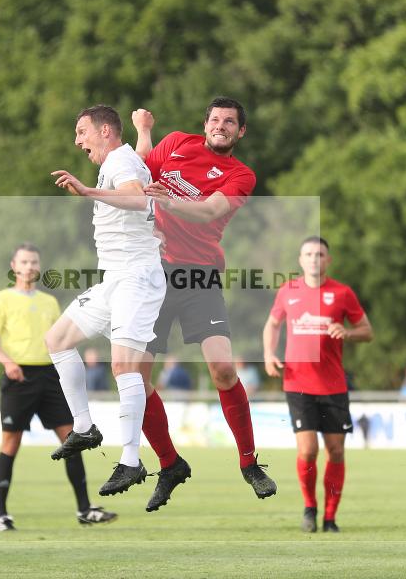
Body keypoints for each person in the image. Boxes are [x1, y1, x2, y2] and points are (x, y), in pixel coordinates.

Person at [132, 97, 277, 512]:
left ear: (240, 132)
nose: (221, 126)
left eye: (230, 122)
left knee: (223, 369)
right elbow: (139, 172)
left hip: (198, 276)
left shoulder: (240, 174)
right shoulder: (176, 142)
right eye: (215, 120)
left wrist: (167, 201)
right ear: (205, 124)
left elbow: (210, 210)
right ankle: (169, 463)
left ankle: (249, 463)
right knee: (134, 380)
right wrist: (144, 131)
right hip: (153, 273)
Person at [46, 105, 166, 498]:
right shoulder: (124, 156)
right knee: (57, 340)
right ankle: (84, 427)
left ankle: (131, 461)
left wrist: (86, 190)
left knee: (123, 365)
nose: (78, 140)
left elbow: (135, 198)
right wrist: (144, 129)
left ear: (105, 132)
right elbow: (139, 165)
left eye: (82, 132)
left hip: (137, 276)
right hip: (114, 278)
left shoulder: (119, 160)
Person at [0, 243, 116, 531]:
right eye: (24, 262)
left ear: (38, 266)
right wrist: (7, 363)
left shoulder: (49, 302)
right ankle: (1, 515)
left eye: (34, 262)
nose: (29, 266)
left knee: (71, 439)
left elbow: (62, 340)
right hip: (18, 378)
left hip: (50, 377)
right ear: (14, 266)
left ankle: (84, 510)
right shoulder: (1, 299)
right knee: (10, 444)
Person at [263, 236, 373, 533]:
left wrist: (347, 333)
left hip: (334, 384)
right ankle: (310, 507)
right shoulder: (289, 290)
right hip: (298, 382)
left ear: (328, 260)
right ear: (300, 260)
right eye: (309, 254)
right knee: (308, 450)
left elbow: (367, 331)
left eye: (320, 254)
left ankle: (331, 517)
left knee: (336, 451)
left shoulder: (342, 293)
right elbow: (273, 324)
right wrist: (269, 353)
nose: (314, 259)